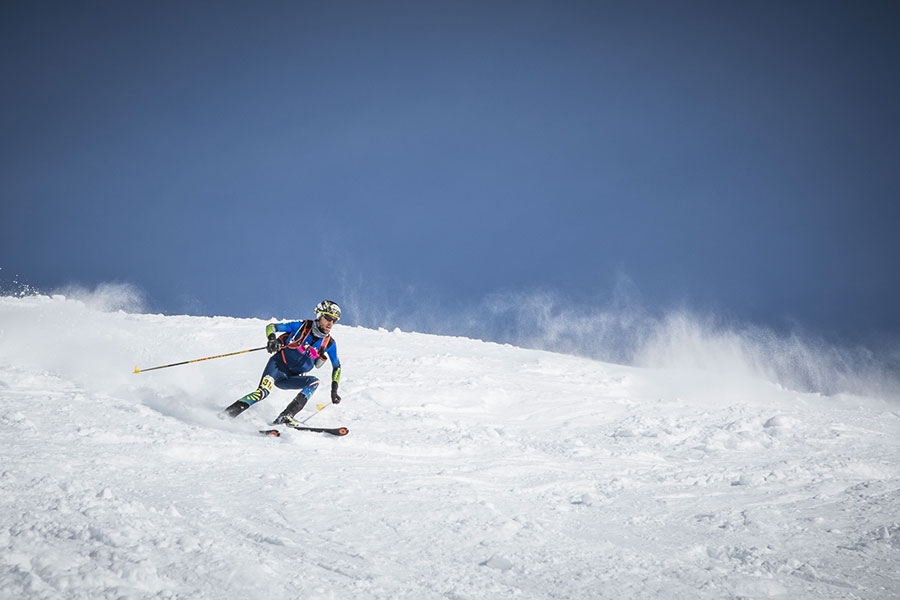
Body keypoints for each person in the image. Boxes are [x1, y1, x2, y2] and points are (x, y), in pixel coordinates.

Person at [222, 299, 342, 425]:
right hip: (277, 367)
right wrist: (272, 339)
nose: (331, 323)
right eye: (328, 318)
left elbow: (337, 367)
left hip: (291, 378)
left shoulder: (329, 343)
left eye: (334, 320)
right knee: (262, 392)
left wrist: (334, 391)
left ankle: (286, 416)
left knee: (314, 382)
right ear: (319, 315)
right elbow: (271, 327)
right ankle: (227, 414)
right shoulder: (301, 326)